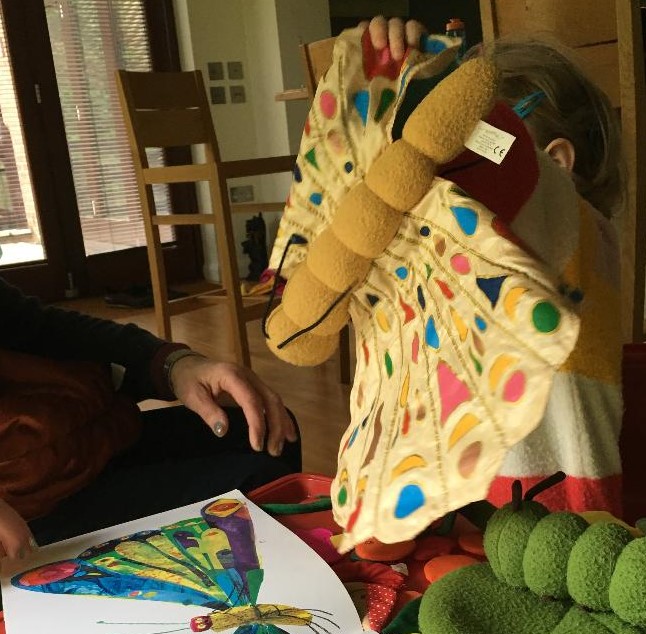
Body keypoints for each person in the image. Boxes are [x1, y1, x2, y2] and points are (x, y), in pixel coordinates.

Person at [363, 16, 626, 516]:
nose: (453, 182)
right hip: (479, 505)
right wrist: (392, 97)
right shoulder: (479, 255)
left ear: (558, 167)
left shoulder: (574, 233)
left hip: (560, 519)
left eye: (478, 149)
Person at [0, 276, 300, 559]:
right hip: (31, 499)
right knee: (259, 483)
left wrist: (175, 365)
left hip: (78, 440)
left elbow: (45, 328)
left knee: (272, 428)